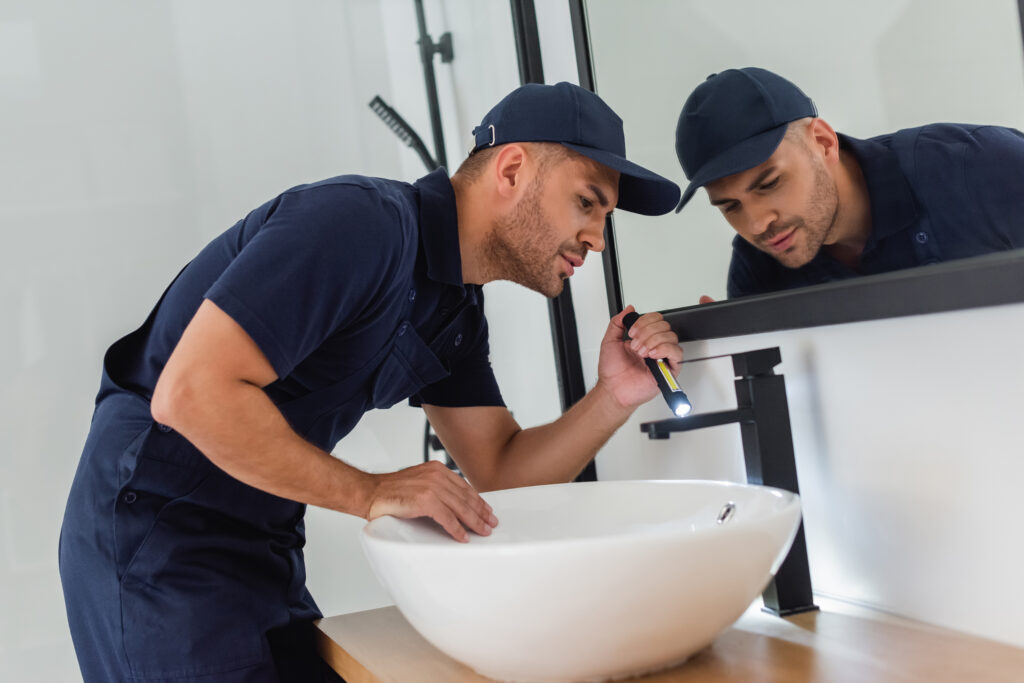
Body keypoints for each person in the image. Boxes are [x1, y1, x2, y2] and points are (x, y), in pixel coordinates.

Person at [58, 81, 683, 682]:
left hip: (261, 546)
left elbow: (501, 472)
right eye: (587, 202)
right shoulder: (357, 224)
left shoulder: (456, 310)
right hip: (153, 543)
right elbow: (189, 394)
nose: (598, 239)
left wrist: (614, 395)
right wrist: (371, 491)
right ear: (513, 170)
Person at [673, 67, 1024, 299]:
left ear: (823, 143)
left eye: (769, 183)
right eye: (730, 206)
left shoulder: (976, 167)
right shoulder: (758, 268)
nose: (757, 223)